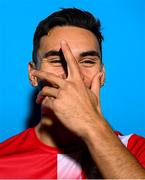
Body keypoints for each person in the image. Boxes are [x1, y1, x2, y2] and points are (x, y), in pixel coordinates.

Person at [0, 8, 145, 179]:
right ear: (33, 75)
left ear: (102, 75)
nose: (72, 75)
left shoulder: (135, 151)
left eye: (87, 61)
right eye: (56, 61)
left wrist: (90, 123)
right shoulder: (4, 160)